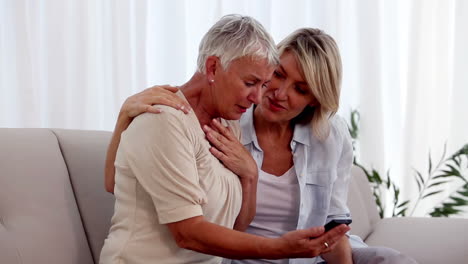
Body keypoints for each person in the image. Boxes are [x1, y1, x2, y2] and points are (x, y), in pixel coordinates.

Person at [100, 15, 350, 264]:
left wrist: (250, 174)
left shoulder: (226, 123)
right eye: (251, 82)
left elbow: (236, 227)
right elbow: (187, 233)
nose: (258, 97)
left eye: (263, 83)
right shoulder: (164, 119)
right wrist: (279, 248)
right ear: (212, 68)